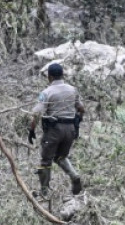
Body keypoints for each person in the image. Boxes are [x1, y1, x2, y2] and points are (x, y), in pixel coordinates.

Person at [28, 62, 86, 198]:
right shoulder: (73, 90)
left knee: (45, 161)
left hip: (54, 130)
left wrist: (31, 130)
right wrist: (77, 123)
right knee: (61, 157)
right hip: (70, 129)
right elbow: (81, 109)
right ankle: (74, 176)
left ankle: (44, 192)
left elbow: (36, 113)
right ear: (62, 75)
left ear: (50, 77)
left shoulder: (47, 92)